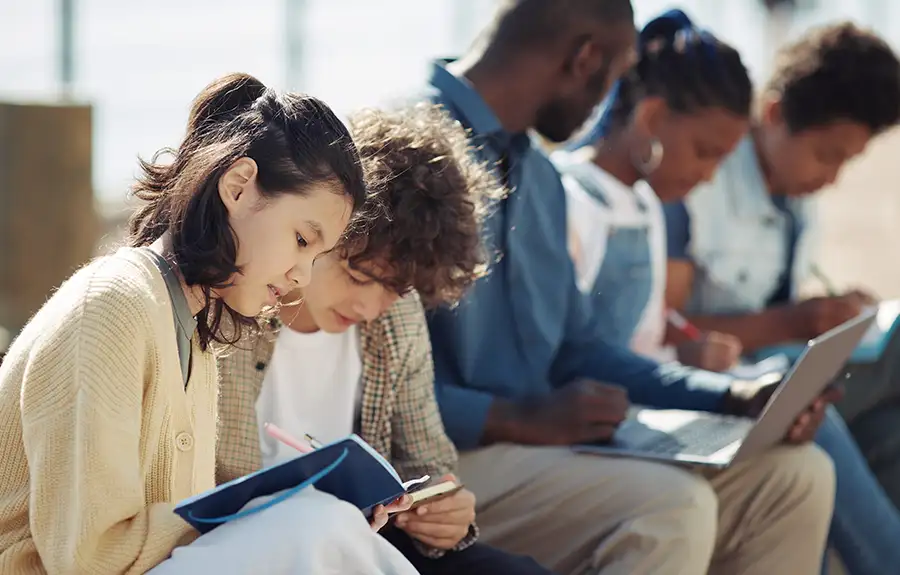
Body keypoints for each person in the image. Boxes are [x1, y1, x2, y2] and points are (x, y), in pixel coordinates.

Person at [418, 1, 835, 574]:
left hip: (545, 446)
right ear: (584, 58)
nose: (608, 105)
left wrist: (729, 397)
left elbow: (578, 348)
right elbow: (369, 383)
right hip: (440, 464)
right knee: (669, 508)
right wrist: (517, 416)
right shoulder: (409, 146)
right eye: (614, 81)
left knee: (795, 476)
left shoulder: (537, 174)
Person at [0, 73, 420, 575]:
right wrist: (267, 512)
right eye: (303, 240)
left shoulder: (194, 327)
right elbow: (90, 556)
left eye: (318, 255)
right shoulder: (112, 306)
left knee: (330, 524)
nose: (301, 275)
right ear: (238, 186)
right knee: (316, 528)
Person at [557, 11, 900, 575]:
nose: (711, 173)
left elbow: (656, 331)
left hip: (693, 382)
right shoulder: (628, 192)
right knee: (801, 431)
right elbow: (624, 337)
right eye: (827, 156)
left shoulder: (652, 198)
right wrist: (788, 325)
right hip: (655, 400)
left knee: (863, 439)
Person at [216, 104, 551, 574]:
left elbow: (427, 463)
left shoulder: (397, 319)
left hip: (364, 542)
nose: (370, 308)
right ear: (323, 231)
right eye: (358, 275)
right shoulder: (236, 304)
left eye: (395, 290)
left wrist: (444, 516)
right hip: (252, 548)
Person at [663, 22, 900, 510]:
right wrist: (794, 322)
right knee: (811, 410)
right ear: (773, 114)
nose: (831, 179)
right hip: (723, 391)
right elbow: (661, 334)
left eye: (846, 163)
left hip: (778, 373)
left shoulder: (797, 196)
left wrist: (835, 313)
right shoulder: (697, 175)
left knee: (889, 429)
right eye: (825, 156)